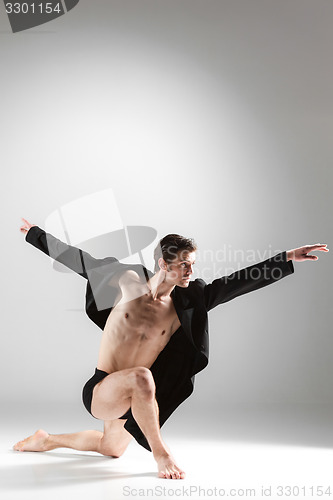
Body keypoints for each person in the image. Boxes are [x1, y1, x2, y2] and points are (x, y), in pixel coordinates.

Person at [14, 218, 328, 479]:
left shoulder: (187, 302)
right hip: (102, 389)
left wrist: (285, 259)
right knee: (140, 377)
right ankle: (161, 454)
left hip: (135, 400)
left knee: (111, 447)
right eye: (185, 266)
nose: (191, 273)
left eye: (193, 265)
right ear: (164, 264)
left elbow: (235, 283)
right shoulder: (126, 280)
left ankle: (47, 440)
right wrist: (35, 235)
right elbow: (80, 260)